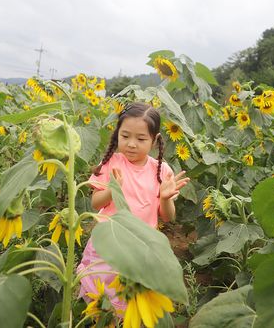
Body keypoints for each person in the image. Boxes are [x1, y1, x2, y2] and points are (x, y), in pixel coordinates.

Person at [76, 102, 190, 311]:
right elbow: (95, 202)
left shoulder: (161, 170)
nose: (131, 144)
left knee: (131, 301)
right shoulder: (112, 162)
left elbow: (168, 217)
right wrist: (113, 190)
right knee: (101, 300)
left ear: (154, 140)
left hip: (141, 247)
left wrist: (164, 198)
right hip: (109, 243)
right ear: (117, 133)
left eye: (140, 139)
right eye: (125, 136)